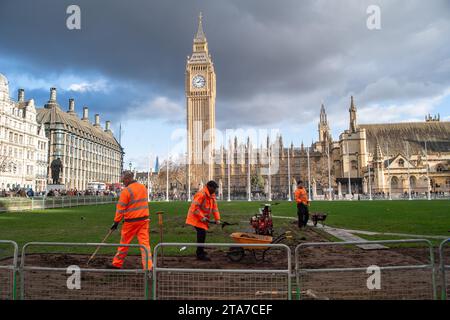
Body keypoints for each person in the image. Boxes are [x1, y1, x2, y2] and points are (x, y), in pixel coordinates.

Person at [109, 171, 152, 270]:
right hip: (144, 220)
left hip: (131, 222)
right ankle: (148, 267)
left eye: (123, 180)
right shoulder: (143, 188)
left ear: (128, 179)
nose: (123, 182)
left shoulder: (126, 191)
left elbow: (120, 209)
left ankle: (116, 264)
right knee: (145, 245)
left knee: (124, 244)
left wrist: (116, 222)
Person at [186, 180, 221, 261]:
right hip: (195, 218)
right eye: (214, 188)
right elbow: (195, 208)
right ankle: (200, 254)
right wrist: (202, 217)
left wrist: (217, 219)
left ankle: (200, 251)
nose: (215, 190)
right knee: (201, 233)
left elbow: (215, 209)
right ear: (209, 187)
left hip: (201, 219)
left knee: (202, 234)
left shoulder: (212, 196)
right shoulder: (201, 194)